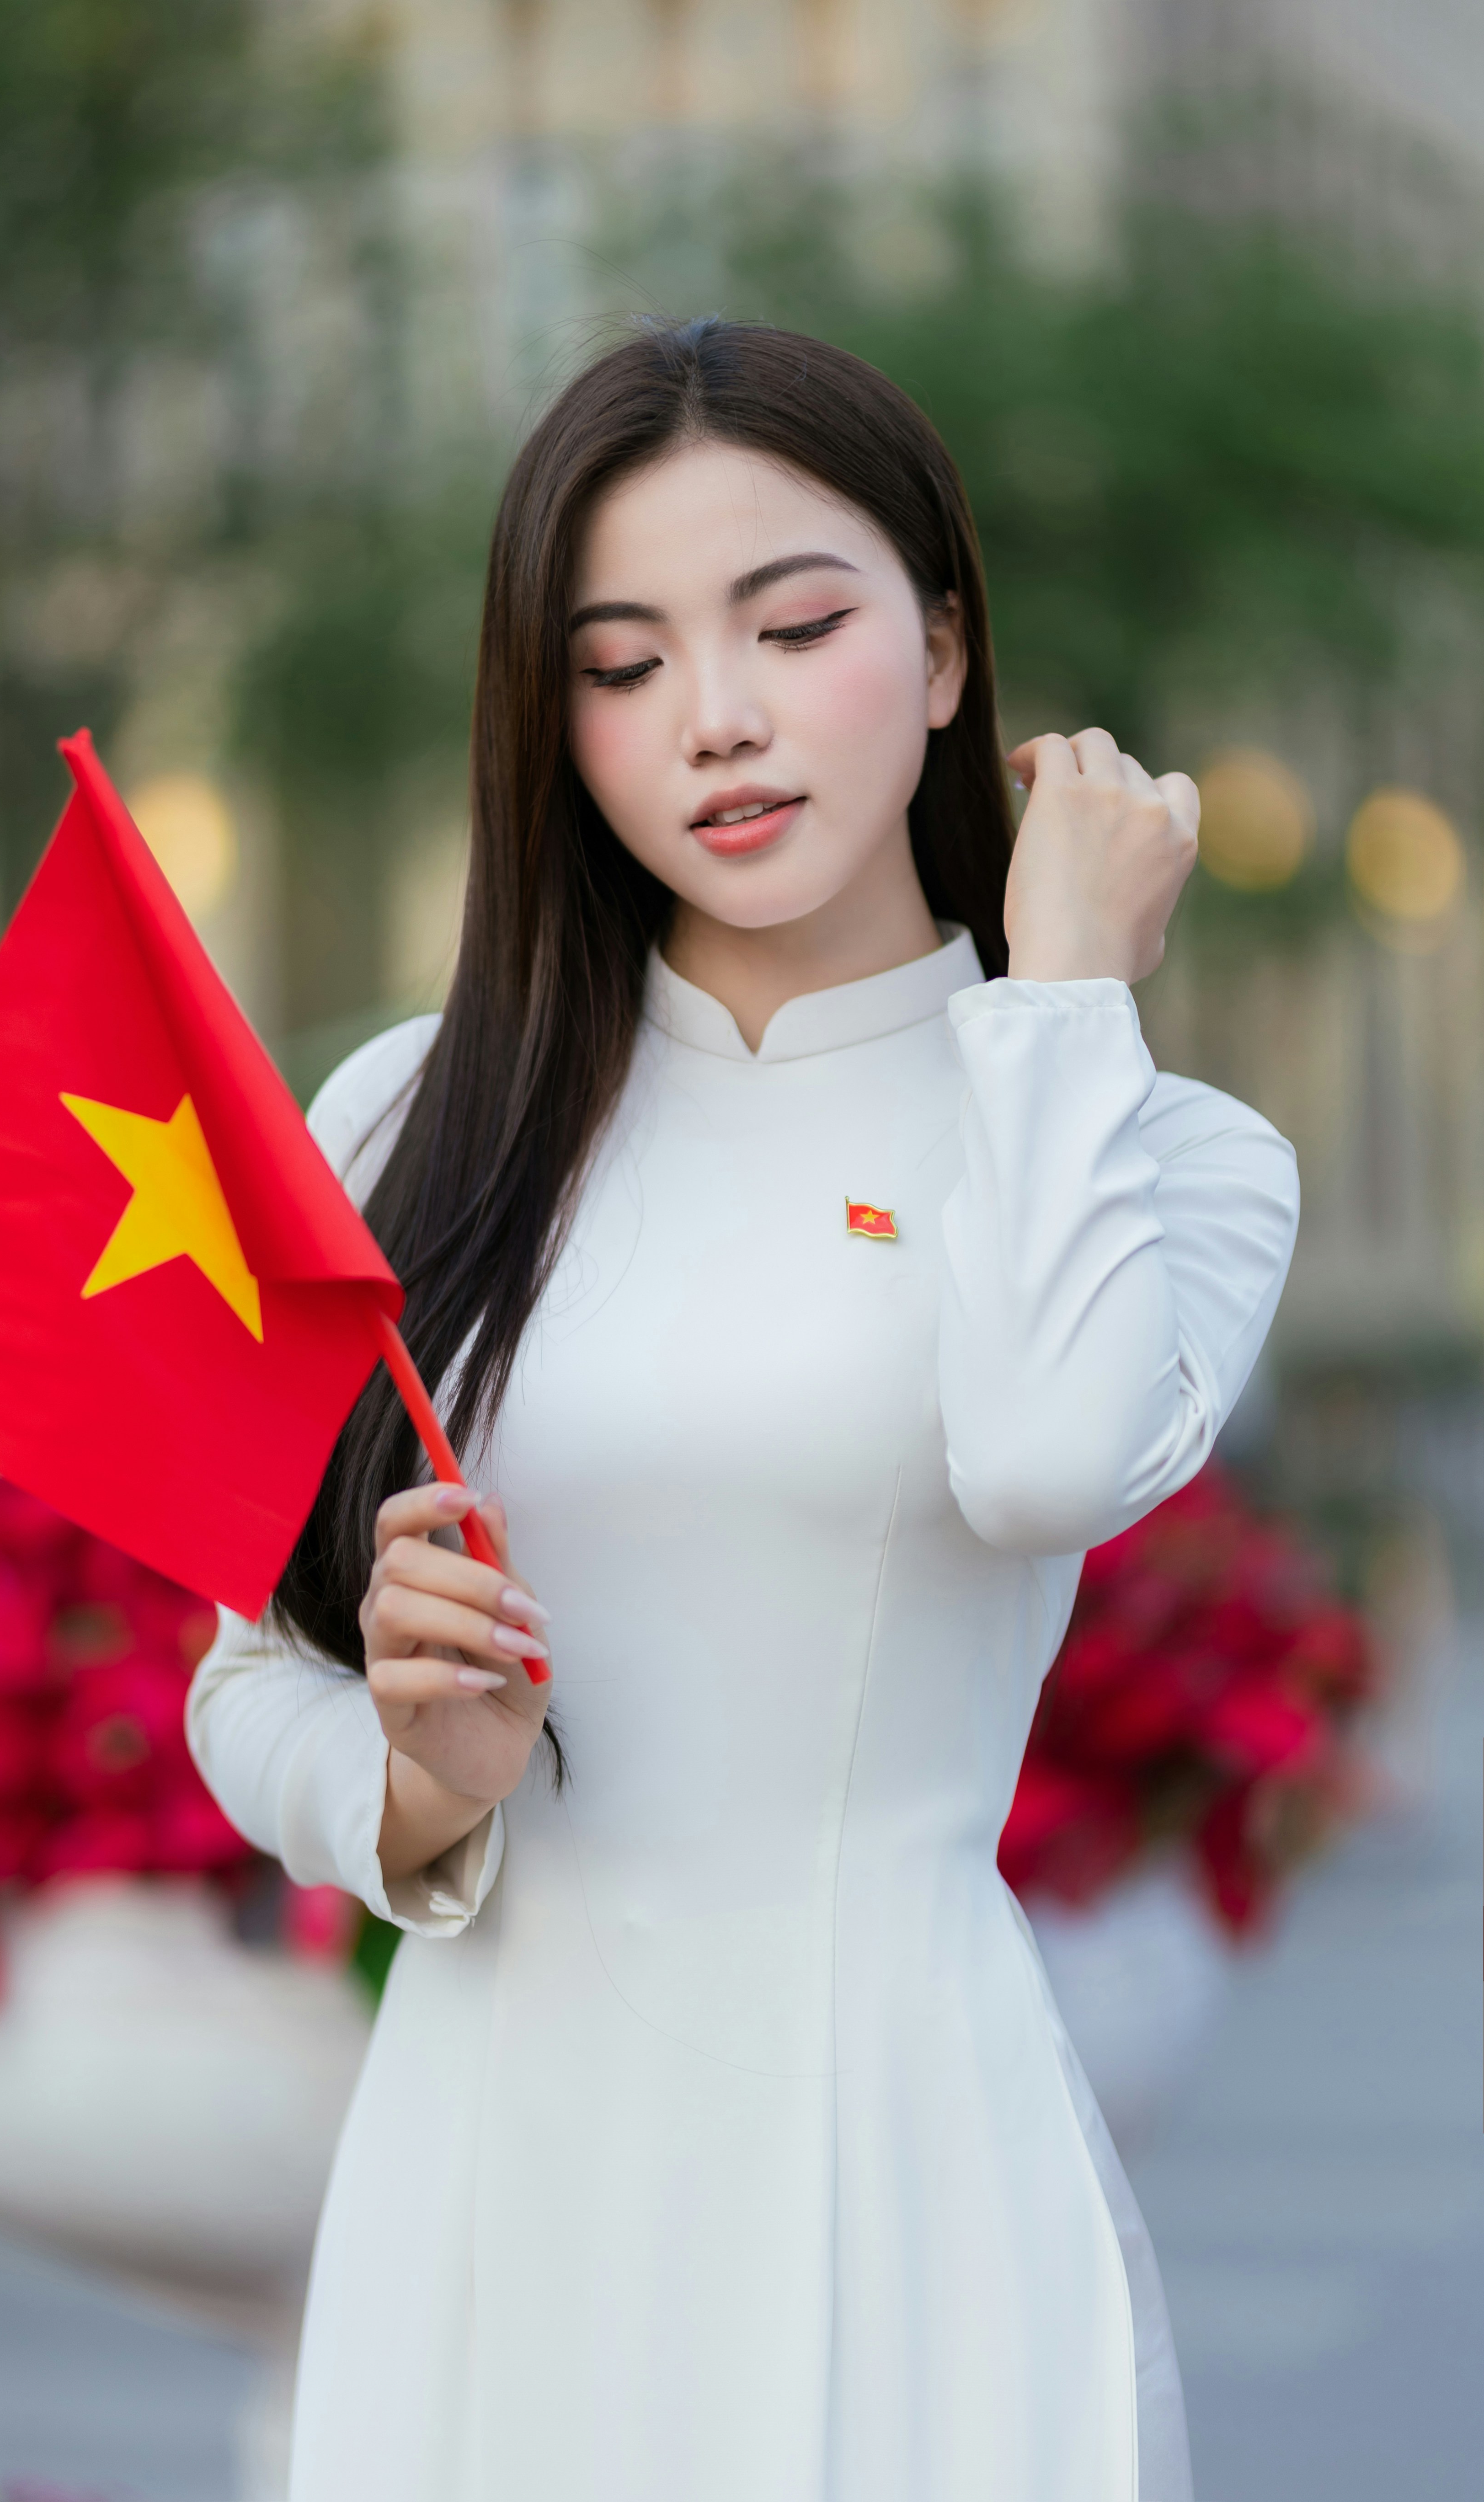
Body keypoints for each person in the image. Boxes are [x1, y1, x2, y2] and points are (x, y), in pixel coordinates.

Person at [187, 319, 1298, 2502]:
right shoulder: (415, 1117)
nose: (719, 718)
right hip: (494, 2173)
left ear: (950, 649)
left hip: (891, 2159)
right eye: (619, 666)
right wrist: (421, 1795)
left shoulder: (1162, 1153)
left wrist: (1065, 1000)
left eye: (796, 624)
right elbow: (252, 1674)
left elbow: (1052, 1457)